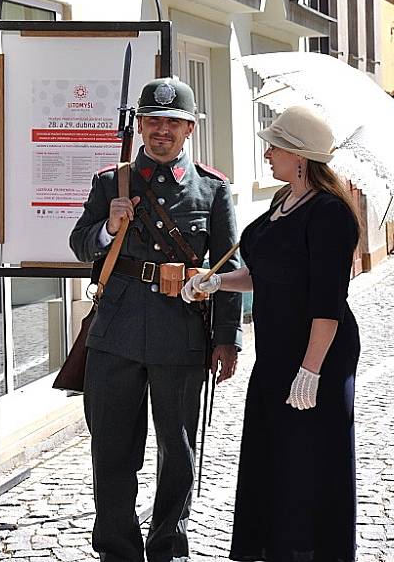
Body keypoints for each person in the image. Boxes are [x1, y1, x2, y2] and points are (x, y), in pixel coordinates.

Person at [70, 77, 242, 562]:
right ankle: (117, 549)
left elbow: (226, 267)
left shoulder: (212, 188)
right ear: (141, 126)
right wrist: (108, 225)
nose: (161, 130)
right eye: (153, 121)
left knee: (178, 450)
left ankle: (167, 544)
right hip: (116, 330)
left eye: (172, 122)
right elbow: (81, 244)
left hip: (180, 331)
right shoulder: (112, 183)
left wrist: (226, 339)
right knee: (112, 449)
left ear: (189, 129)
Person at [182, 104, 361, 562]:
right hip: (278, 351)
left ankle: (308, 552)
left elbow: (327, 302)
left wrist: (311, 371)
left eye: (274, 145)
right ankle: (270, 549)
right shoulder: (283, 202)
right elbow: (267, 275)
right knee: (271, 452)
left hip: (317, 351)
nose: (266, 153)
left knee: (308, 458)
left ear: (299, 156)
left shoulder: (330, 214)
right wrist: (218, 280)